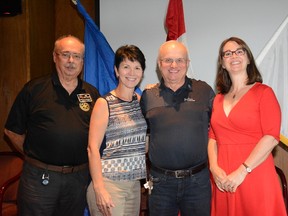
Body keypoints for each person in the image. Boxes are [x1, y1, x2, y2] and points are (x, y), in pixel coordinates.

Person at [4, 35, 100, 216]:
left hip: (78, 179)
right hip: (39, 179)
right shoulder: (34, 89)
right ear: (55, 57)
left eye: (77, 56)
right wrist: (35, 157)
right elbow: (11, 130)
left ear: (82, 61)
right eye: (65, 55)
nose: (71, 61)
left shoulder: (92, 93)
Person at [208, 36, 286, 216]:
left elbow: (271, 137)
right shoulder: (218, 99)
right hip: (223, 178)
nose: (233, 56)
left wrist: (243, 171)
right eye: (227, 53)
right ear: (223, 62)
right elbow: (212, 137)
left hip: (254, 173)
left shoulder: (264, 93)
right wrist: (214, 168)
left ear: (248, 58)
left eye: (239, 51)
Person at [140, 40, 215, 216]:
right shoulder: (148, 96)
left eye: (180, 60)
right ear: (159, 64)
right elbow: (143, 133)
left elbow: (220, 129)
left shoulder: (204, 91)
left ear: (187, 64)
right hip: (161, 183)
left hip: (198, 182)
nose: (174, 65)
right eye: (167, 60)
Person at [86, 45, 147, 216]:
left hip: (134, 185)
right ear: (116, 70)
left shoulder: (141, 101)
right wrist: (99, 189)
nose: (132, 73)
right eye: (126, 66)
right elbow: (92, 148)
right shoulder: (104, 103)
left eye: (137, 67)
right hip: (109, 184)